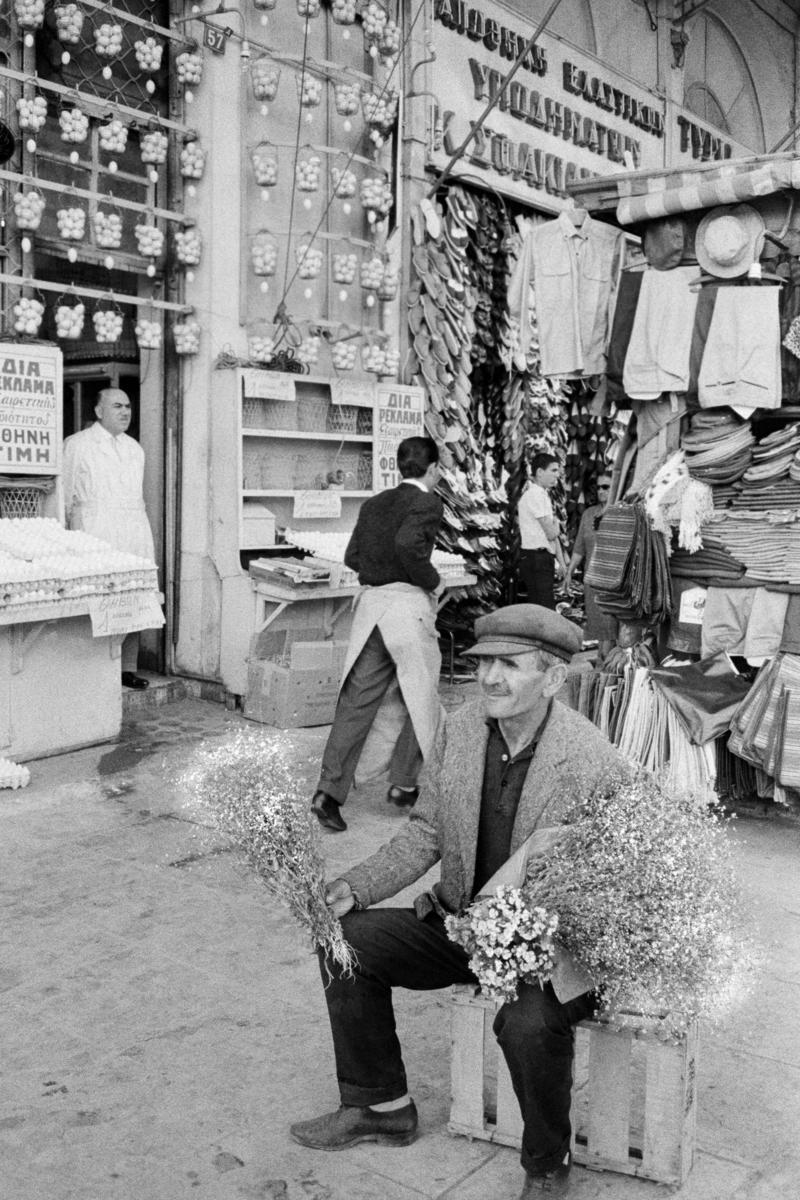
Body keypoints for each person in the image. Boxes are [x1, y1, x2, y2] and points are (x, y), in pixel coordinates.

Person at [291, 604, 627, 1198]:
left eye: (510, 664)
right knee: (343, 940)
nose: (490, 678)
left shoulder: (590, 757)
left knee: (525, 1024)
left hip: (548, 946)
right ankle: (381, 1105)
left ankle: (547, 1164)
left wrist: (544, 936)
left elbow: (615, 874)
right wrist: (358, 885)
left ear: (553, 678)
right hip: (462, 923)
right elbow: (427, 830)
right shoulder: (463, 728)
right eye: (483, 663)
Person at [311, 435, 444, 834]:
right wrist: (432, 580)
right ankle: (404, 784)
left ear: (399, 467)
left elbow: (353, 557)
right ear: (433, 469)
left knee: (357, 701)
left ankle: (328, 794)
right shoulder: (428, 502)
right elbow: (408, 545)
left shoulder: (373, 504)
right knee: (420, 696)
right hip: (407, 609)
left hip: (371, 610)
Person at [62, 387, 156, 690]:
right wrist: (66, 538)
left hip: (133, 528)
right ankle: (95, 669)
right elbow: (64, 497)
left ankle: (126, 668)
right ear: (99, 411)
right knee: (98, 597)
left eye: (128, 406)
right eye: (117, 406)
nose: (125, 412)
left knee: (135, 593)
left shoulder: (134, 448)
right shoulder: (77, 445)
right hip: (94, 529)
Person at [563, 475, 617, 658]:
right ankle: (604, 662)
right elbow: (579, 547)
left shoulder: (621, 513)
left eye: (606, 487)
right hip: (592, 580)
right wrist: (569, 571)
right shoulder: (588, 514)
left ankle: (605, 663)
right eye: (599, 487)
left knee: (611, 626)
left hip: (613, 580)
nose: (601, 491)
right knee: (599, 625)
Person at [517, 453, 567, 610]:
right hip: (536, 558)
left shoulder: (542, 495)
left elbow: (552, 534)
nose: (557, 475)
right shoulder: (534, 495)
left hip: (541, 557)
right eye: (553, 470)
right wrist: (557, 524)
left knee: (543, 605)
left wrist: (561, 561)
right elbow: (552, 533)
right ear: (539, 472)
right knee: (543, 607)